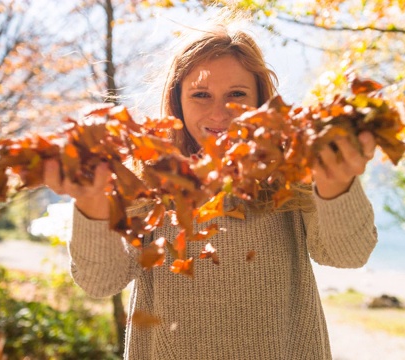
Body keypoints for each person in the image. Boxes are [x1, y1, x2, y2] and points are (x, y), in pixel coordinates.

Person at [44, 16, 378, 360]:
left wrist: (338, 184)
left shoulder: (291, 173)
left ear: (261, 101)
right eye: (201, 94)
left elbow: (347, 255)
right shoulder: (145, 178)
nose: (219, 113)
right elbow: (100, 282)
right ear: (177, 100)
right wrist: (90, 204)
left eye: (237, 94)